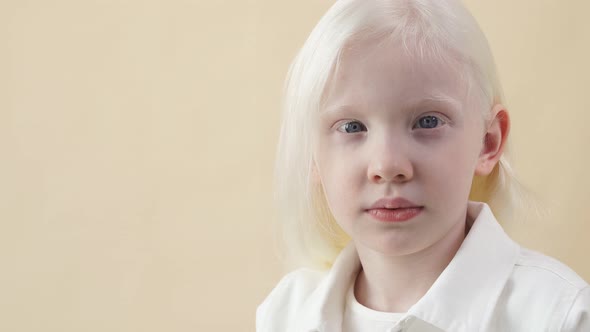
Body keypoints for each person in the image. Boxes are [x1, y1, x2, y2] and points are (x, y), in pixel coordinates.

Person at [257, 0, 590, 331]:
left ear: (487, 143)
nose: (388, 165)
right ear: (312, 154)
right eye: (352, 127)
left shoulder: (559, 315)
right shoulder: (285, 314)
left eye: (428, 121)